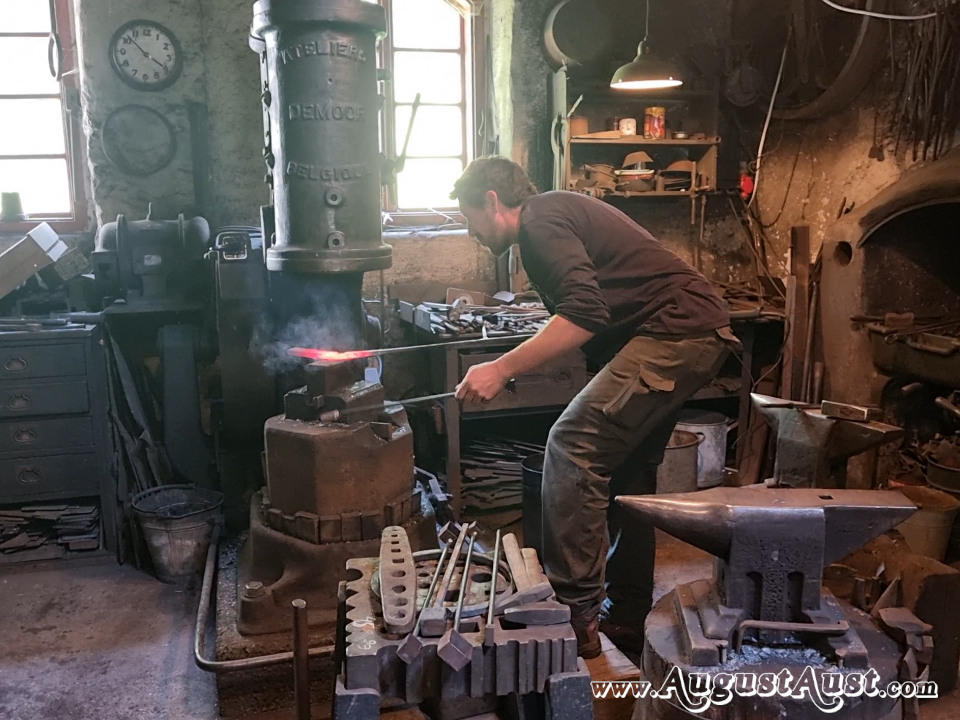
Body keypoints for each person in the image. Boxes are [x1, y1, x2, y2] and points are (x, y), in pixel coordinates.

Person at [451, 157, 736, 658]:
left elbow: (583, 312)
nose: (470, 229)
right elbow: (595, 311)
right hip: (690, 331)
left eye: (468, 216)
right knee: (627, 472)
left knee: (572, 445)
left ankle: (575, 613)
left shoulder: (539, 223)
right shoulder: (551, 216)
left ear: (492, 202)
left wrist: (501, 368)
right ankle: (626, 619)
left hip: (676, 332)